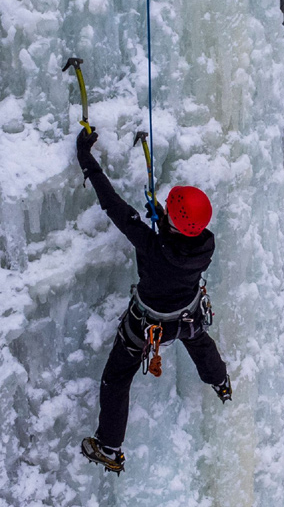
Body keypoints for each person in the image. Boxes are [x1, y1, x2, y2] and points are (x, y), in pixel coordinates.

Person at [76, 128, 232, 474]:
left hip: (147, 325)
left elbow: (113, 204)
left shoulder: (152, 247)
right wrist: (163, 220)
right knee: (200, 344)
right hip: (187, 318)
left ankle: (109, 447)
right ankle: (220, 381)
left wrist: (86, 158)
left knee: (117, 379)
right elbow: (179, 241)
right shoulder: (206, 243)